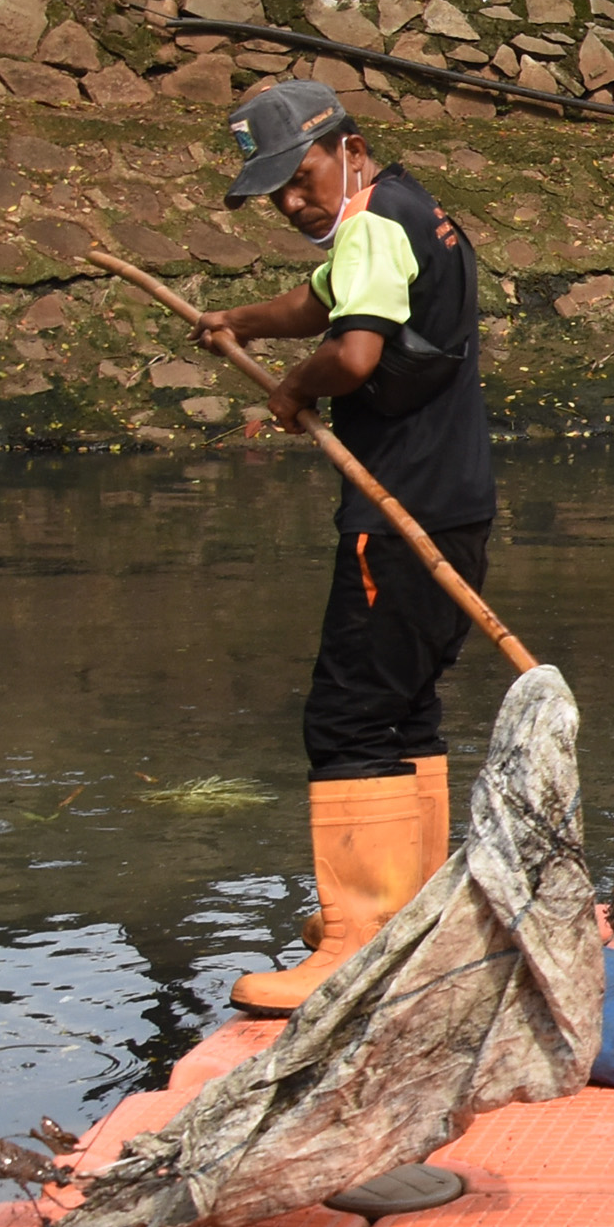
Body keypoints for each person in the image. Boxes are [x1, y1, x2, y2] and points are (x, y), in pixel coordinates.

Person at [193, 81, 497, 1013]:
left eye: (300, 177)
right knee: (404, 710)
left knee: (349, 717)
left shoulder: (371, 227)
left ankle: (356, 942)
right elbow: (319, 301)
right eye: (275, 192)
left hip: (397, 518)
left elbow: (355, 351)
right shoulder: (411, 213)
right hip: (456, 509)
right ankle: (410, 911)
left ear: (349, 149)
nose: (292, 202)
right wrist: (237, 322)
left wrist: (292, 389)